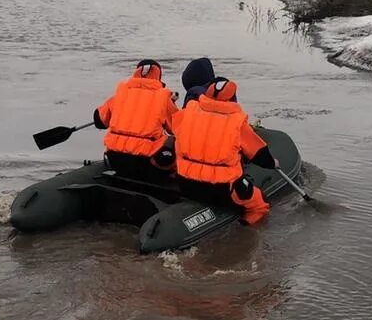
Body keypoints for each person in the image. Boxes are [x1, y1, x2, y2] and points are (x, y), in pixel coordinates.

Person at [170, 77, 275, 225]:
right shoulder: (237, 123)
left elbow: (173, 129)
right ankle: (245, 234)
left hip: (186, 183)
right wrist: (272, 164)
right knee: (260, 205)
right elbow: (259, 154)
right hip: (221, 189)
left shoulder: (187, 112)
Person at [93, 59, 178, 181]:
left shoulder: (121, 94)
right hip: (147, 163)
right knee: (172, 141)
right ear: (158, 76)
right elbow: (177, 128)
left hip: (115, 158)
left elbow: (99, 121)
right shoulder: (163, 98)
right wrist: (171, 105)